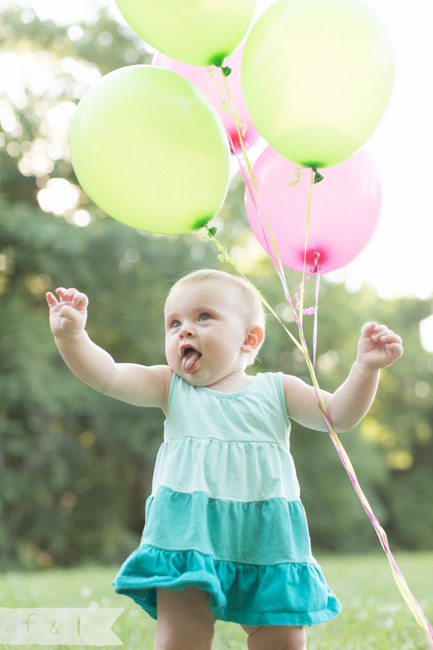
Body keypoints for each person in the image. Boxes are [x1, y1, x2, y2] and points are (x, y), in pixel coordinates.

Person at [46, 269, 403, 650]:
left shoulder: (278, 389)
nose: (184, 330)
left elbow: (338, 415)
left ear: (249, 338)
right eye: (174, 323)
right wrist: (73, 337)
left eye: (204, 317)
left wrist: (365, 369)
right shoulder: (171, 387)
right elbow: (109, 376)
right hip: (187, 531)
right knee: (182, 635)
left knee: (281, 637)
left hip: (266, 535)